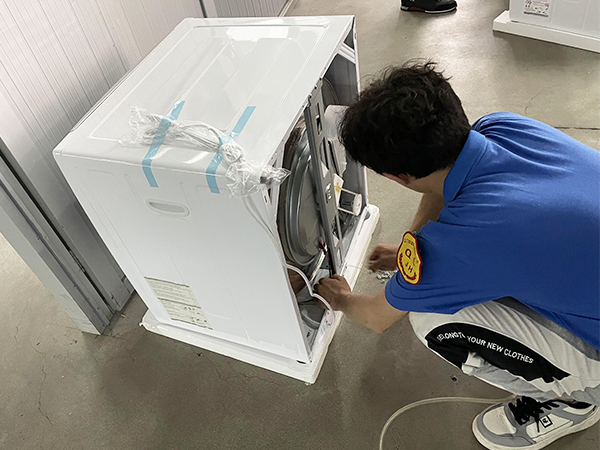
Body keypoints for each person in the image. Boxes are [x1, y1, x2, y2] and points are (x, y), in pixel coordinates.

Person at [315, 62, 600, 450]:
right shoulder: (501, 126)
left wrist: (341, 298)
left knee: (432, 320)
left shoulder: (467, 240)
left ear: (396, 177)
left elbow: (377, 318)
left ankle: (574, 400)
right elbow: (444, 187)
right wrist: (411, 247)